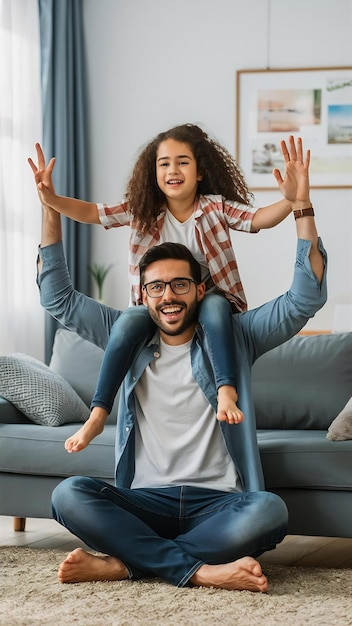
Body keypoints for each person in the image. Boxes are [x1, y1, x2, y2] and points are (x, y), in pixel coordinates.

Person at [36, 136, 327, 591]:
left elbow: (304, 298)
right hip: (145, 499)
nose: (168, 295)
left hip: (221, 503)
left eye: (180, 285)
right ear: (143, 293)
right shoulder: (125, 332)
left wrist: (302, 205)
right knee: (68, 494)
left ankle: (131, 563)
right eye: (156, 287)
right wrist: (49, 209)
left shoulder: (237, 335)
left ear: (199, 288)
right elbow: (58, 298)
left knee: (269, 510)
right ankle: (203, 568)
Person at [30, 124, 297, 449]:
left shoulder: (214, 207)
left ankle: (226, 390)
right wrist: (51, 199)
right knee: (128, 321)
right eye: (164, 163)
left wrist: (291, 201)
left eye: (183, 162)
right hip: (154, 307)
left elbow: (257, 219)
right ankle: (98, 414)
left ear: (200, 171)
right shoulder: (142, 210)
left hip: (210, 298)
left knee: (214, 307)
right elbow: (91, 213)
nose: (173, 170)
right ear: (153, 171)